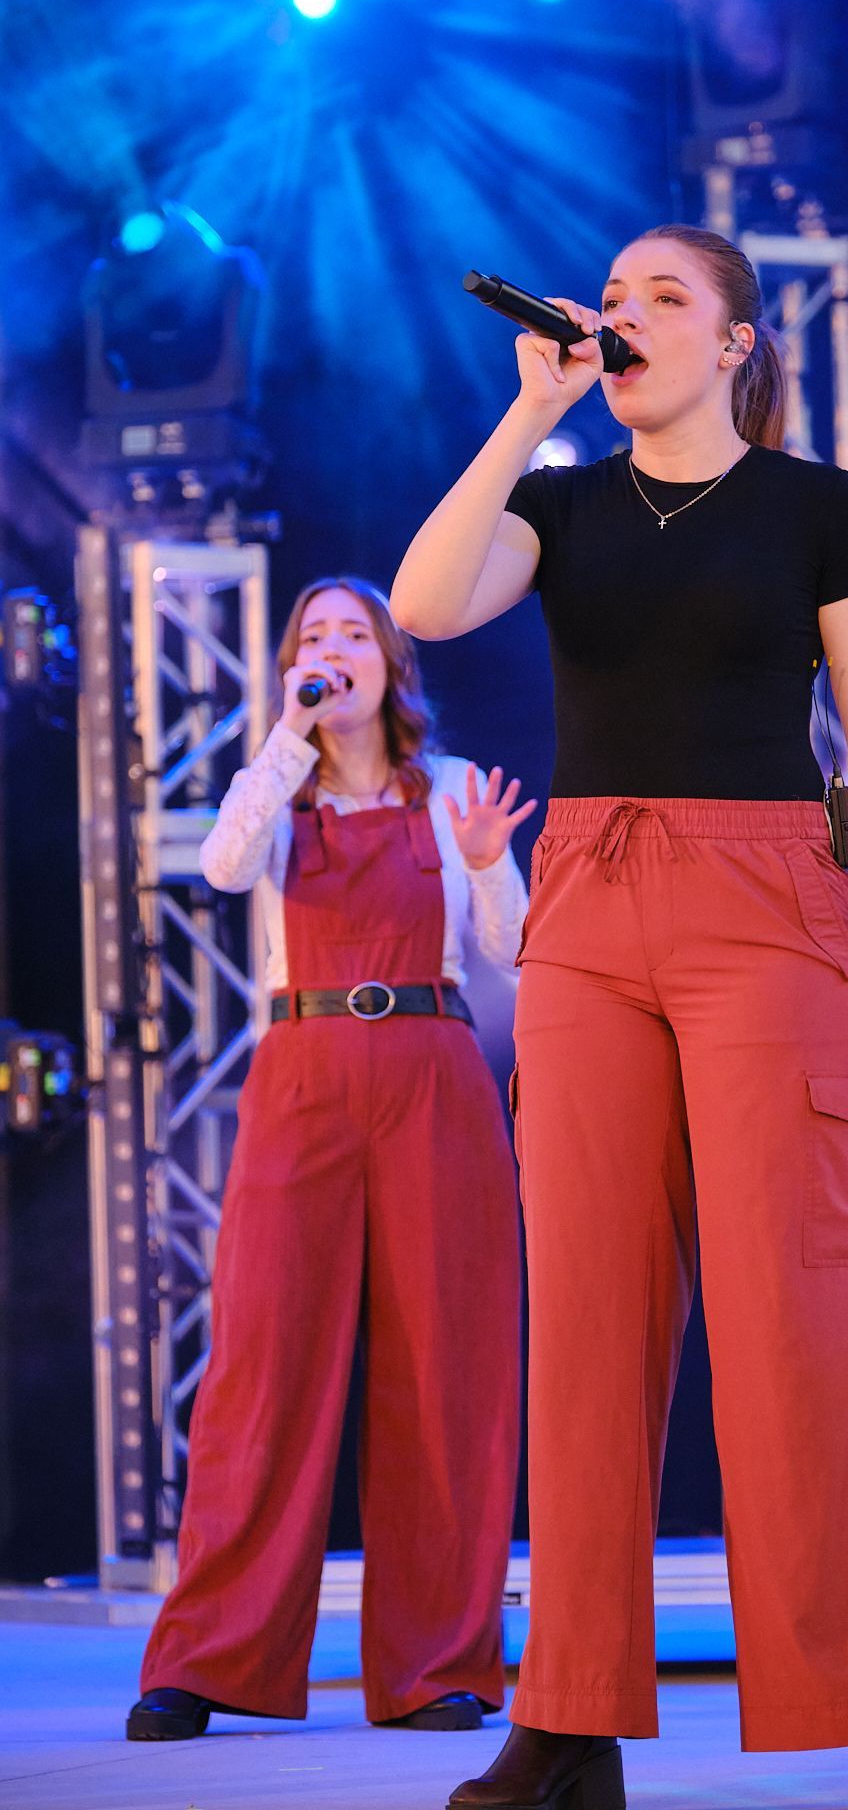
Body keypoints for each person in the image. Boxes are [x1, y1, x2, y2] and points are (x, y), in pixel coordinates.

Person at [392, 225, 848, 1810]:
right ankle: (564, 1721)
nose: (624, 317)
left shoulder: (814, 507)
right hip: (590, 902)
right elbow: (428, 605)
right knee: (582, 1319)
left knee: (801, 1313)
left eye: (661, 300)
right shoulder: (558, 503)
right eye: (612, 299)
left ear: (735, 343)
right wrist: (525, 411)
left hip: (770, 898)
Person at [127, 577, 531, 1740]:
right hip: (302, 1061)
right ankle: (206, 1657)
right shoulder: (278, 777)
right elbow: (220, 862)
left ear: (393, 661)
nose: (335, 650)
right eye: (315, 637)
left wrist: (493, 860)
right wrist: (289, 733)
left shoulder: (452, 789)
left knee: (448, 1363)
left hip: (431, 1063)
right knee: (261, 1360)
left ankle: (438, 1664)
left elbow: (510, 944)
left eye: (356, 634)